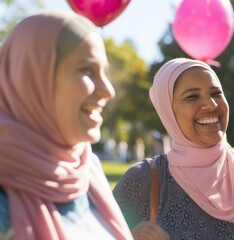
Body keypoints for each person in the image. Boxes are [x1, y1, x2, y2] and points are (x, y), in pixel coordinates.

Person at [0, 11, 134, 239]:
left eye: (105, 72)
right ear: (35, 77)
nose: (108, 91)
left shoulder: (87, 168)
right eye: (87, 70)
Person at [113, 58, 234, 239]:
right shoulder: (143, 181)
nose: (211, 104)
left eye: (216, 93)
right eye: (192, 96)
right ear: (168, 109)